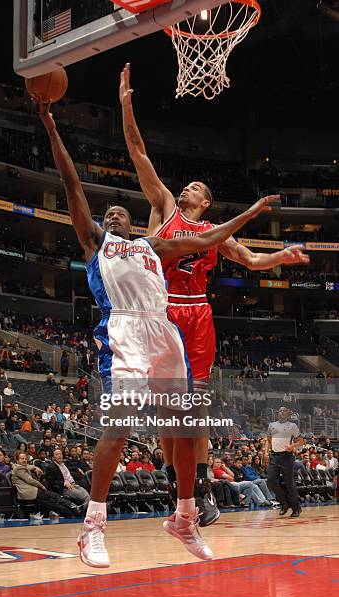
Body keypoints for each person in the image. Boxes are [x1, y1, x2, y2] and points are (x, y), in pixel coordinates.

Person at [38, 99, 277, 569]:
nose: (112, 216)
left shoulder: (153, 244)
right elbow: (69, 183)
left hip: (165, 329)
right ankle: (92, 527)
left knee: (185, 427)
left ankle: (184, 516)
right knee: (119, 426)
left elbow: (208, 240)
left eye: (119, 213)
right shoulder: (95, 243)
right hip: (125, 329)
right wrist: (49, 122)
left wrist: (248, 214)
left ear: (135, 223)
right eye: (107, 215)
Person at [120, 62, 310, 527]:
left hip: (197, 317)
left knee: (196, 410)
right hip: (160, 316)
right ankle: (177, 490)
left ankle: (202, 492)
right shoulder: (164, 207)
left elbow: (251, 261)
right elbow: (139, 153)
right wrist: (126, 106)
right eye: (188, 185)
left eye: (197, 188)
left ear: (205, 203)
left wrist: (281, 258)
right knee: (168, 415)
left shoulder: (212, 232)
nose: (187, 188)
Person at [265, 406, 305, 517]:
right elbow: (268, 440)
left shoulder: (292, 426)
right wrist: (265, 453)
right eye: (280, 411)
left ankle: (296, 509)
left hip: (287, 457)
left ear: (288, 414)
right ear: (278, 413)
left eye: (284, 411)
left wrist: (292, 446)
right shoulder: (271, 425)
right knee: (270, 481)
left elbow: (301, 441)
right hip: (274, 456)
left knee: (289, 483)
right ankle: (284, 503)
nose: (282, 412)